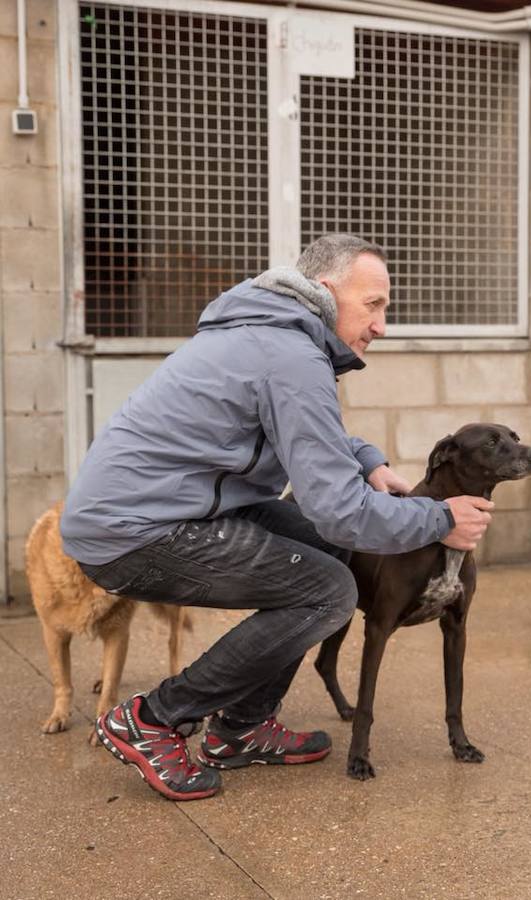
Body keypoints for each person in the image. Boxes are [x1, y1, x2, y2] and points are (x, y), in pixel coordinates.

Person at [61, 234, 493, 802]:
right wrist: (437, 519)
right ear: (328, 292)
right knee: (329, 591)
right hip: (134, 530)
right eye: (374, 305)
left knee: (321, 548)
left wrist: (365, 461)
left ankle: (240, 728)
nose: (382, 325)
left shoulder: (272, 334)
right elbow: (341, 513)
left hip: (172, 505)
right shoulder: (290, 355)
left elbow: (304, 429)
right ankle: (154, 717)